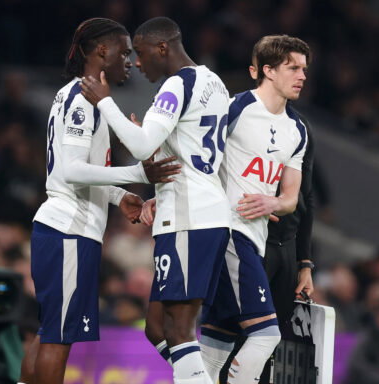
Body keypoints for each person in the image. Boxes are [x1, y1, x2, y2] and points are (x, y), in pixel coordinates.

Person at [139, 34, 314, 383]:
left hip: (256, 236)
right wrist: (163, 193)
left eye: (305, 69)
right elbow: (193, 152)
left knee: (216, 344)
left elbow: (292, 197)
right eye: (293, 67)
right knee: (266, 335)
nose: (302, 76)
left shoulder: (298, 130)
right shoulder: (235, 108)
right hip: (228, 230)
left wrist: (273, 201)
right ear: (267, 70)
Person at [21, 18, 181, 384]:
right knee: (58, 338)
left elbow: (80, 170)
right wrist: (140, 175)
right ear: (101, 51)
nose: (129, 61)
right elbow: (73, 170)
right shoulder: (82, 100)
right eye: (124, 52)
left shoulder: (76, 95)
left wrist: (118, 195)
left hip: (64, 229)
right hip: (68, 230)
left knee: (49, 331)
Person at [81, 17, 231, 384]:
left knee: (180, 331)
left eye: (141, 53)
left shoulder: (176, 86)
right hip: (197, 212)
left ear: (163, 48)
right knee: (156, 329)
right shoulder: (215, 82)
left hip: (189, 218)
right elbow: (184, 151)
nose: (135, 63)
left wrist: (105, 104)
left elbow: (141, 145)